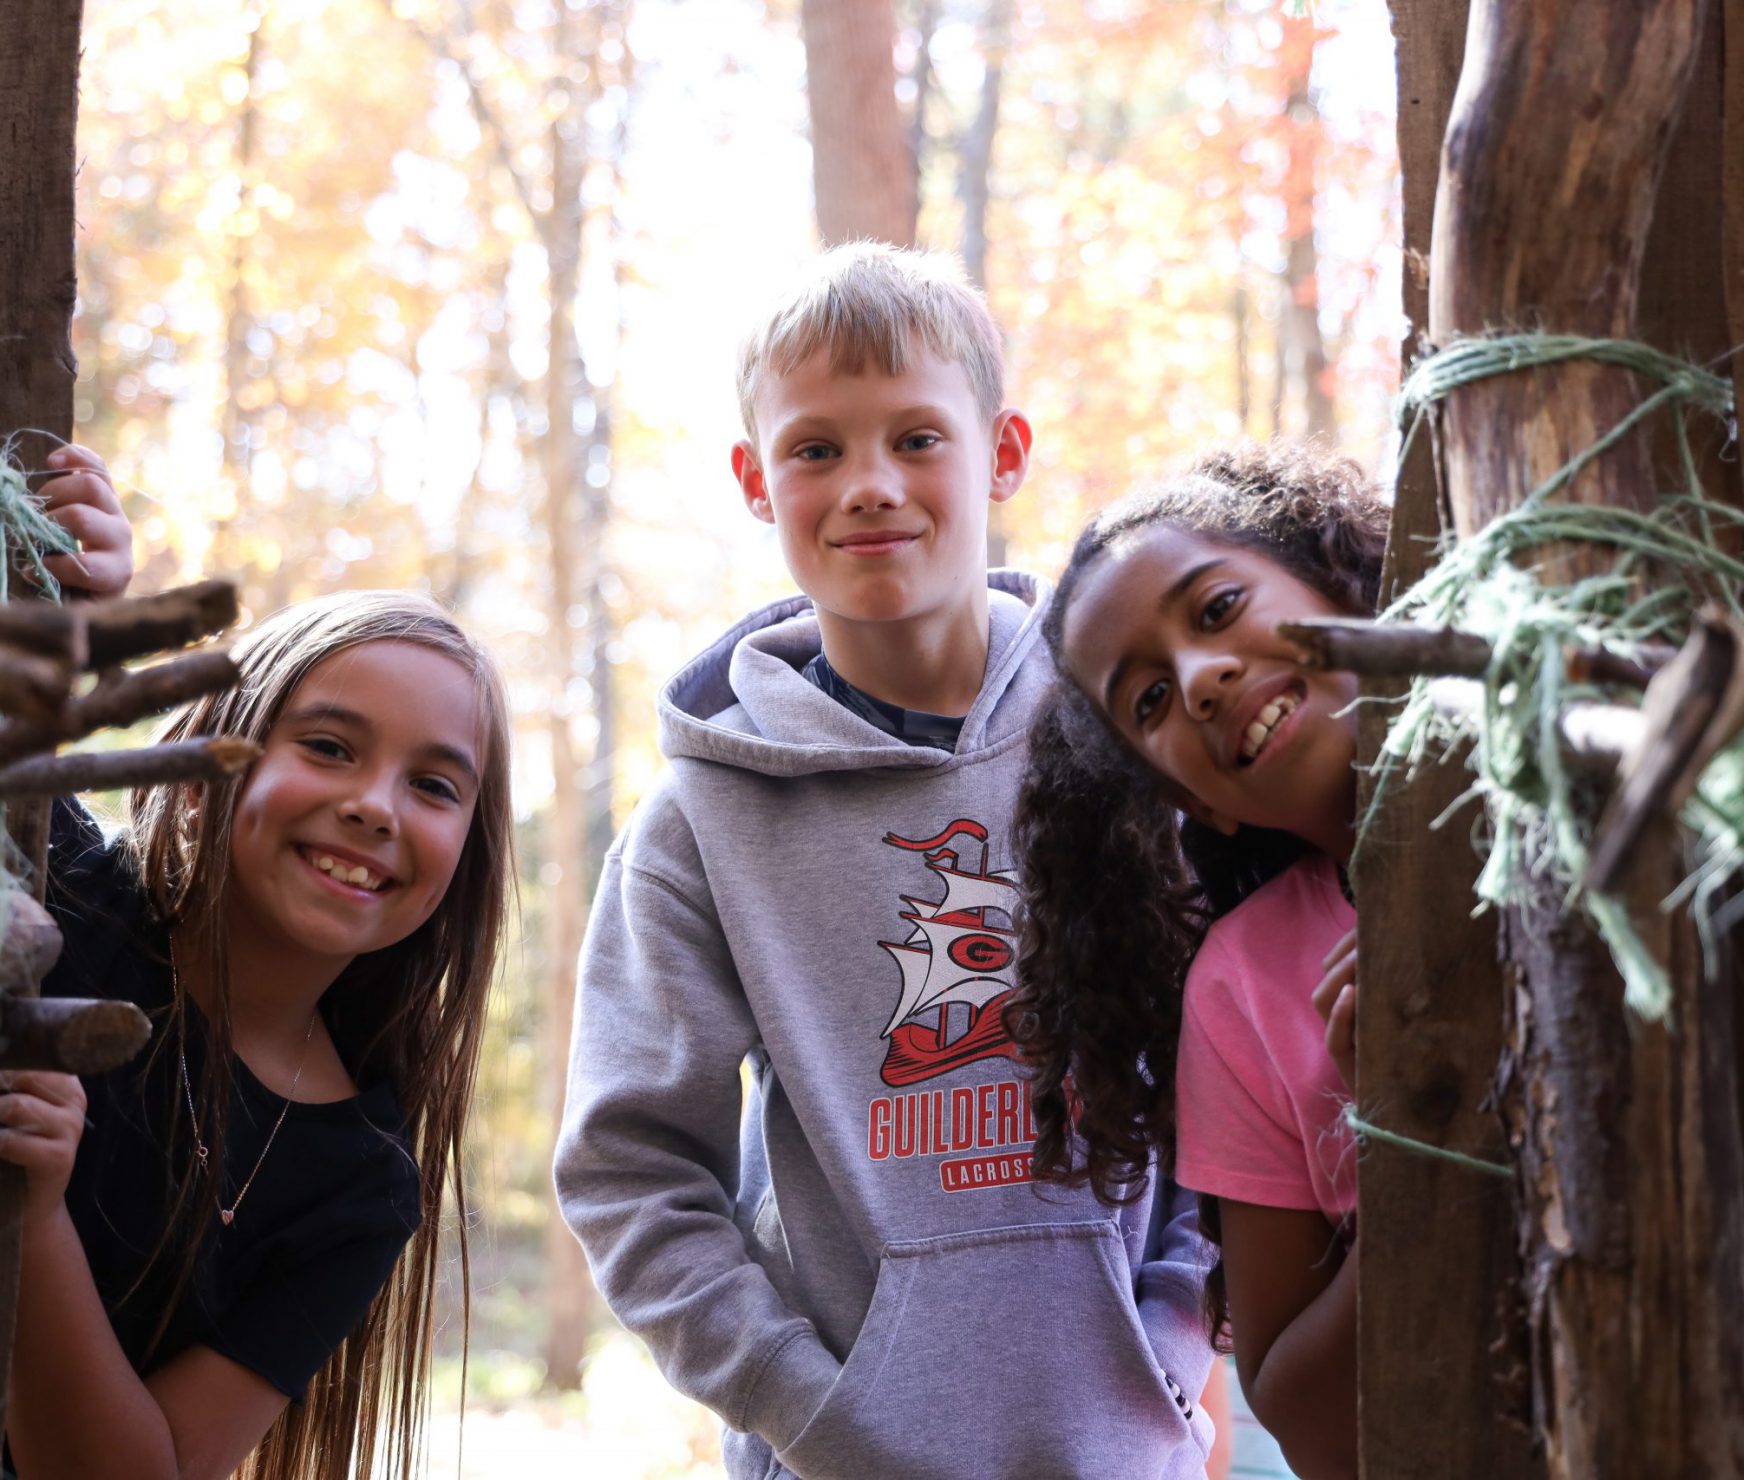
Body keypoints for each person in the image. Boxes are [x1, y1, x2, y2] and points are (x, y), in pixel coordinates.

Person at [555, 243, 1215, 1479]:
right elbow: (629, 1169)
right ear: (757, 480)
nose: (869, 485)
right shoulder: (701, 822)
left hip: (1126, 1441)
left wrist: (1173, 1331)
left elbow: (1222, 1063)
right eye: (817, 449)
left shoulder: (1132, 750)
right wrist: (808, 1409)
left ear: (1002, 454)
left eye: (917, 438)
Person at [1, 589, 514, 1480]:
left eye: (433, 785)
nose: (375, 806)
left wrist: (33, 1220)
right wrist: (52, 584)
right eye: (328, 747)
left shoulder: (364, 1189)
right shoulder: (53, 879)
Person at [1007, 443, 1388, 1480]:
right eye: (1147, 703)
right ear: (1194, 803)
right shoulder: (1243, 993)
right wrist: (1404, 1141)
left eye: (1216, 608)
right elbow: (1313, 1432)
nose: (1201, 677)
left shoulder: (1596, 757)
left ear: (1339, 579)